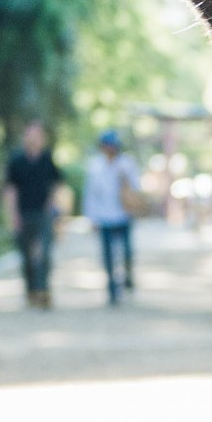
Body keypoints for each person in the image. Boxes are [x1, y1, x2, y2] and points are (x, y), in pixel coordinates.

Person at [4, 121, 61, 309]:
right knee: (26, 257)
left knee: (44, 253)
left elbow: (56, 185)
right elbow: (11, 190)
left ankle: (43, 290)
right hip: (23, 214)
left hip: (43, 214)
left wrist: (55, 210)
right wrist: (12, 215)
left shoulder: (47, 159)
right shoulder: (16, 161)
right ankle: (30, 291)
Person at [84, 128, 141, 306]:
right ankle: (112, 289)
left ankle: (128, 277)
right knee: (108, 255)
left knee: (127, 252)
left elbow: (136, 188)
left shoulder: (126, 163)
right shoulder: (95, 166)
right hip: (104, 217)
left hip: (124, 215)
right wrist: (91, 218)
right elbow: (91, 194)